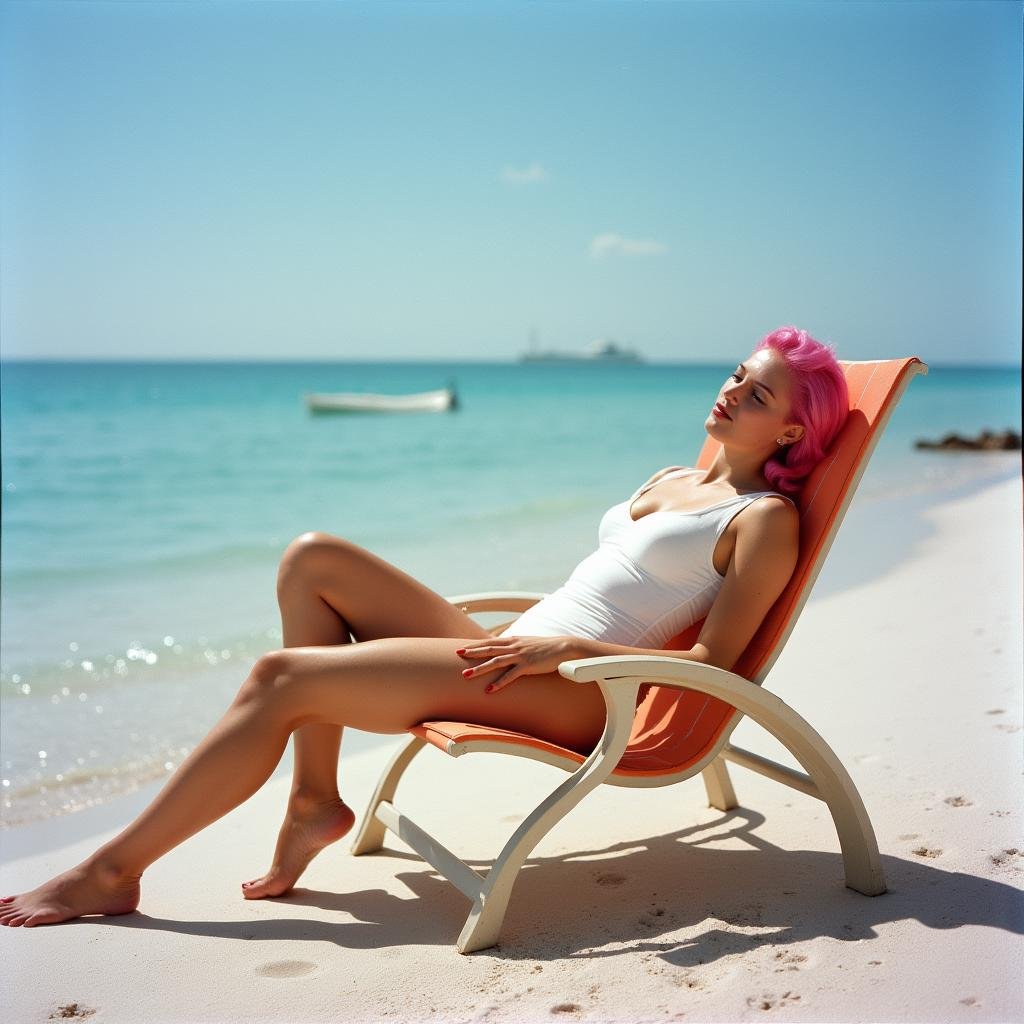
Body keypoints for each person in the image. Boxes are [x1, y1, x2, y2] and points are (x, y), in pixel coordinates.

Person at [0, 325, 848, 928]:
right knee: (311, 559)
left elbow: (715, 661)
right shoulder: (675, 476)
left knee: (280, 677)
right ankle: (312, 798)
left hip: (578, 690)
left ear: (791, 429)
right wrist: (545, 635)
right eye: (737, 373)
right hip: (524, 650)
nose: (731, 389)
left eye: (758, 391)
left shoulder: (764, 518)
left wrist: (568, 651)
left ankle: (111, 872)